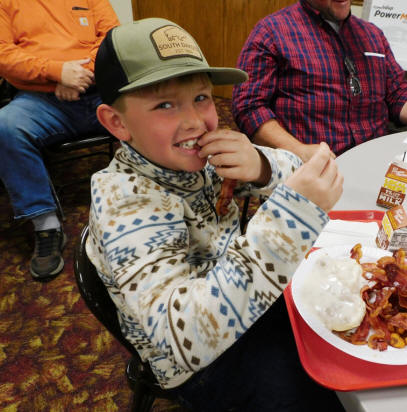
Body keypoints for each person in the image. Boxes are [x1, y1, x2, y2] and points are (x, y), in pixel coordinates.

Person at [88, 18, 345, 411]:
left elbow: (300, 172)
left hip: (242, 294)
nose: (196, 121)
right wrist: (289, 221)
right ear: (117, 122)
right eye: (165, 105)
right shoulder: (125, 200)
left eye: (202, 97)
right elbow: (182, 339)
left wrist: (260, 165)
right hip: (198, 363)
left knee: (339, 335)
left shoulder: (199, 157)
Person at [232, 0, 407, 161]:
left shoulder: (371, 35)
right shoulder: (271, 33)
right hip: (315, 170)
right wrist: (297, 151)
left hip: (377, 163)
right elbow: (249, 107)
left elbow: (397, 93)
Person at [0, 0, 119, 280]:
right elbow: (4, 55)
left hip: (101, 92)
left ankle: (154, 197)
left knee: (149, 108)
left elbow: (113, 38)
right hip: (42, 100)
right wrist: (56, 72)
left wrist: (80, 75)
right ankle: (46, 226)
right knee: (4, 126)